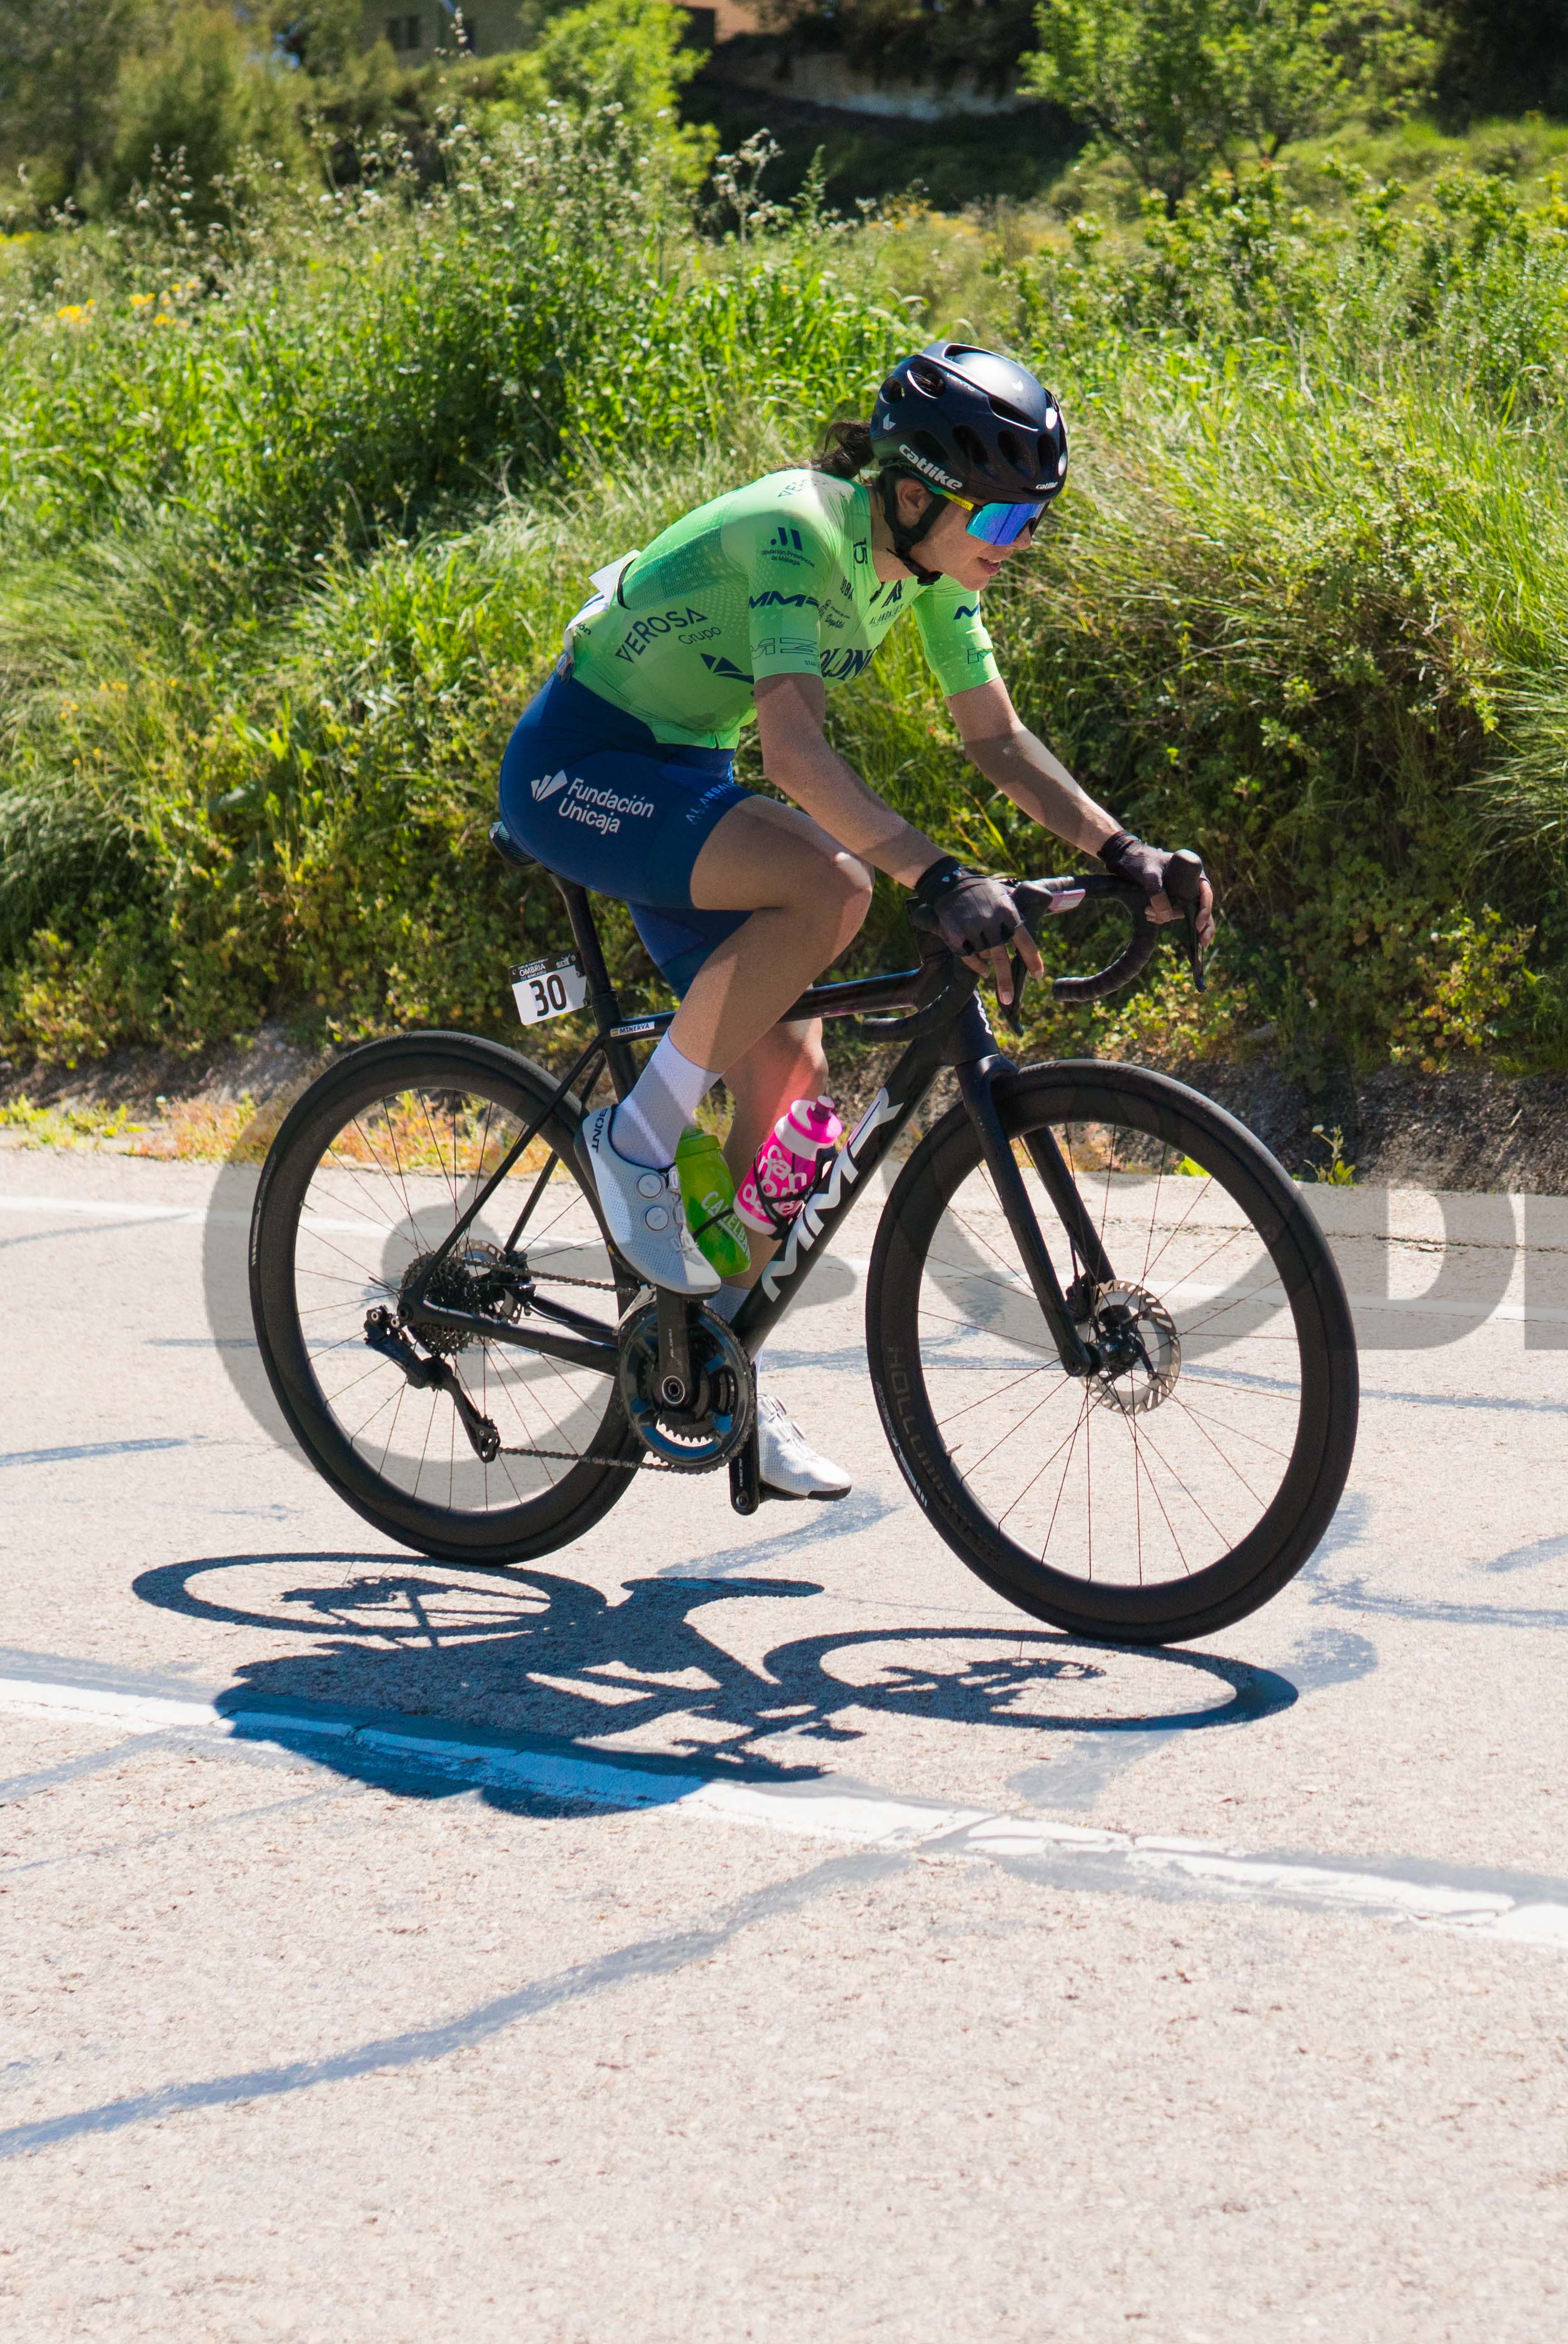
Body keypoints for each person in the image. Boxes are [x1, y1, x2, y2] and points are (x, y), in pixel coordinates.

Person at [493, 341, 1214, 1496]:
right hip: (580, 765)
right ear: (917, 490)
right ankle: (634, 1140)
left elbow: (997, 740)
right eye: (1002, 524)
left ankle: (709, 1370)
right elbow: (794, 751)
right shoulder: (801, 530)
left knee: (791, 1095)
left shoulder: (927, 576)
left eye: (1029, 529)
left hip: (678, 776)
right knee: (833, 886)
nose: (1010, 551)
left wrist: (1124, 851)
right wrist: (938, 877)